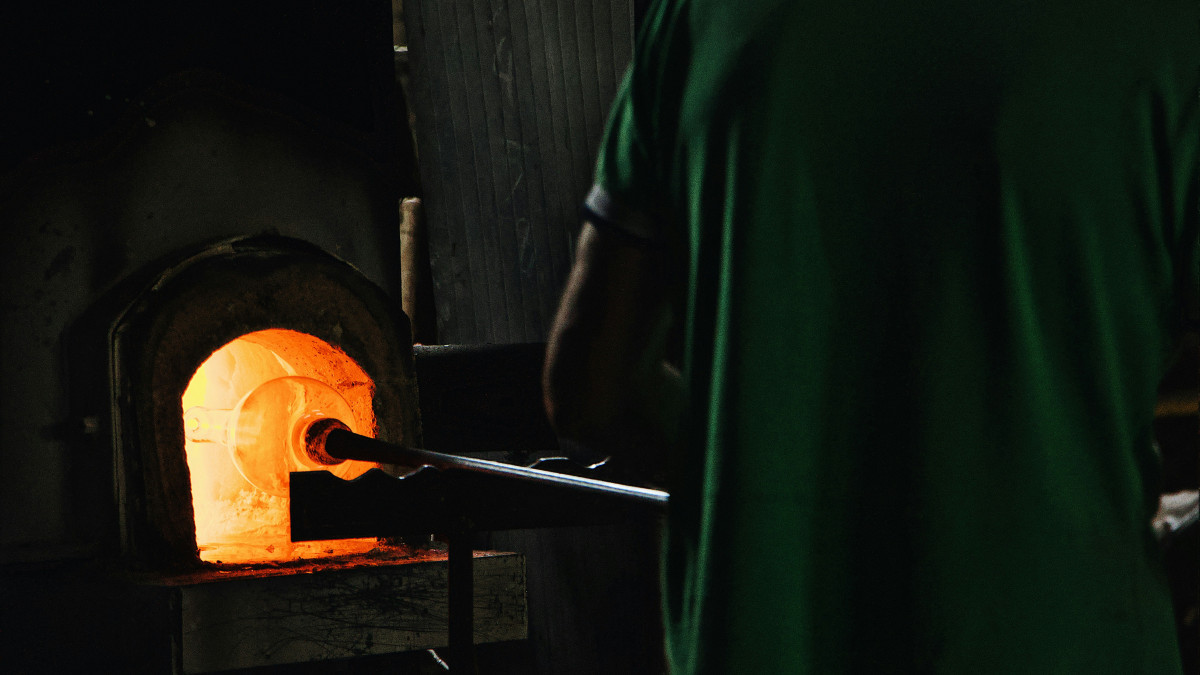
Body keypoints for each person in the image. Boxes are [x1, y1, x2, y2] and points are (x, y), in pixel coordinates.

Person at [543, 0, 1198, 672]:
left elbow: (590, 385)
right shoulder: (1161, 29)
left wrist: (776, 465)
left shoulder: (697, 18)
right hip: (1058, 634)